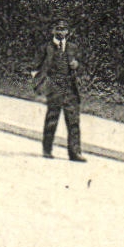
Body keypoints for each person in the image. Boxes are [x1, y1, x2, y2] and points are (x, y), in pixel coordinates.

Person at [31, 19, 86, 161]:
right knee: (52, 118)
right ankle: (47, 149)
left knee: (73, 120)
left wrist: (77, 65)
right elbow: (35, 67)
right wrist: (41, 86)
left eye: (64, 29)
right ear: (53, 31)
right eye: (58, 29)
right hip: (54, 86)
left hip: (70, 88)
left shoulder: (73, 47)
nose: (61, 32)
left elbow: (82, 67)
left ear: (68, 32)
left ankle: (75, 152)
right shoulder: (46, 48)